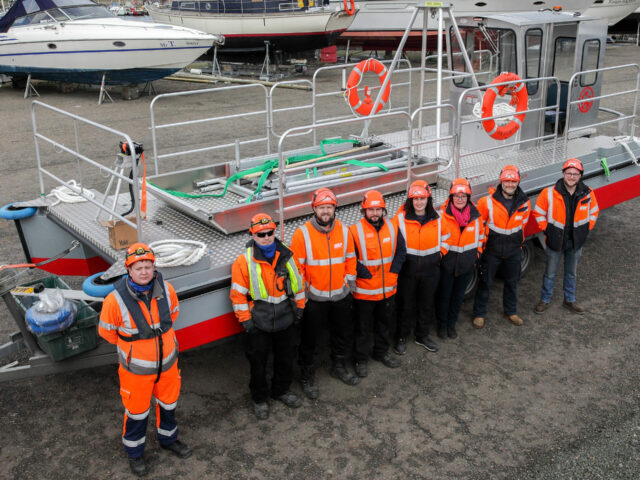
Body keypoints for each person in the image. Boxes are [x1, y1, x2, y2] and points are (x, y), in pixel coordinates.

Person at [99, 242, 190, 477]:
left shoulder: (166, 289)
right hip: (136, 372)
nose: (144, 272)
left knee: (169, 405)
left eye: (148, 266)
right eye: (138, 267)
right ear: (128, 270)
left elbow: (174, 313)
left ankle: (169, 440)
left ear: (153, 267)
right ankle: (135, 454)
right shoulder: (114, 300)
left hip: (168, 366)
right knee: (137, 413)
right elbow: (107, 333)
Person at [230, 213, 306, 420]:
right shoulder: (243, 262)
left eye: (269, 233)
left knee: (285, 358)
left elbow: (299, 283)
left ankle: (281, 391)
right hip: (259, 322)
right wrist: (246, 321)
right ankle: (260, 398)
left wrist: (300, 308)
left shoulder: (288, 255)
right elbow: (237, 295)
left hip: (285, 317)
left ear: (275, 232)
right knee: (258, 363)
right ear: (252, 235)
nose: (266, 237)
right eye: (260, 234)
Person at [291, 188, 359, 399]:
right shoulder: (302, 234)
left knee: (341, 334)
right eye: (322, 208)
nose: (326, 211)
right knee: (309, 340)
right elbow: (296, 270)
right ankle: (306, 376)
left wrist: (348, 285)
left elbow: (350, 259)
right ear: (314, 209)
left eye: (329, 207)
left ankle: (338, 367)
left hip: (340, 296)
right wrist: (304, 297)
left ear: (334, 209)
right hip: (314, 300)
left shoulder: (344, 230)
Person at [349, 190, 406, 377]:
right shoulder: (354, 231)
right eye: (370, 210)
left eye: (378, 209)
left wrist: (394, 271)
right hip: (365, 291)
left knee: (384, 324)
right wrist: (364, 273)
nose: (374, 213)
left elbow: (400, 252)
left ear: (383, 210)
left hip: (387, 289)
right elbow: (350, 258)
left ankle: (381, 353)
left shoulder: (392, 228)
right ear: (363, 211)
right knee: (362, 328)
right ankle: (360, 359)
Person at [532, 158, 599, 314]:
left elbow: (594, 212)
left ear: (580, 175)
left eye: (575, 174)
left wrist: (586, 229)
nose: (572, 177)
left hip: (575, 242)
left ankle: (569, 300)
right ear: (563, 173)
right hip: (555, 241)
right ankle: (545, 299)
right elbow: (539, 212)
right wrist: (547, 230)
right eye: (569, 173)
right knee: (549, 273)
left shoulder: (588, 193)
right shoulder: (549, 193)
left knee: (571, 273)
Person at [393, 182, 450, 355]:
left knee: (426, 305)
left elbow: (447, 238)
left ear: (428, 199)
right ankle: (401, 337)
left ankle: (422, 335)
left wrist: (439, 255)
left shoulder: (439, 218)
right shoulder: (400, 219)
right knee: (405, 305)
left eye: (422, 199)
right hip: (407, 271)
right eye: (415, 199)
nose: (419, 202)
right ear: (410, 200)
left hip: (430, 270)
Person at [472, 165, 531, 328]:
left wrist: (516, 243)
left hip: (513, 251)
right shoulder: (486, 202)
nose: (510, 184)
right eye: (507, 181)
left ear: (518, 182)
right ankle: (479, 314)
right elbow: (479, 225)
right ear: (501, 181)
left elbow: (523, 224)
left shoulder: (524, 203)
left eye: (513, 181)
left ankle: (511, 311)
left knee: (512, 283)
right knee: (485, 283)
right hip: (492, 250)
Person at [437, 178, 484, 339]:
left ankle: (451, 325)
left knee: (457, 298)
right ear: (451, 197)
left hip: (465, 266)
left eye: (463, 196)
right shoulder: (442, 216)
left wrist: (476, 255)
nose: (460, 199)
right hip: (447, 266)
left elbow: (481, 237)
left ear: (468, 198)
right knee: (444, 297)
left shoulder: (476, 217)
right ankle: (442, 326)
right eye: (456, 196)